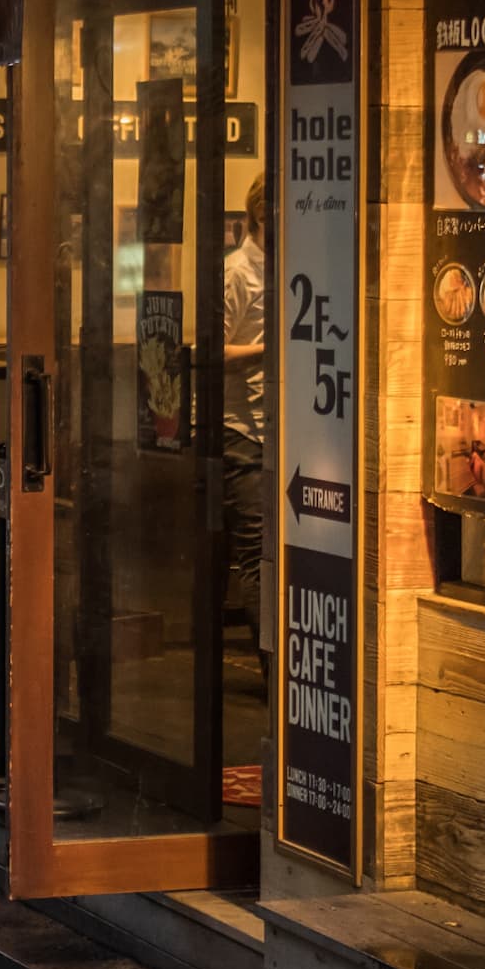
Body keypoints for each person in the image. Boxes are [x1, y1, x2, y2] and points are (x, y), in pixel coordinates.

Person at [220, 174, 272, 632]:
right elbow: (210, 353)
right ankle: (269, 679)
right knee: (256, 556)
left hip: (278, 429)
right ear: (262, 213)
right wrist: (267, 348)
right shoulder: (238, 273)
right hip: (243, 432)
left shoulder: (287, 268)